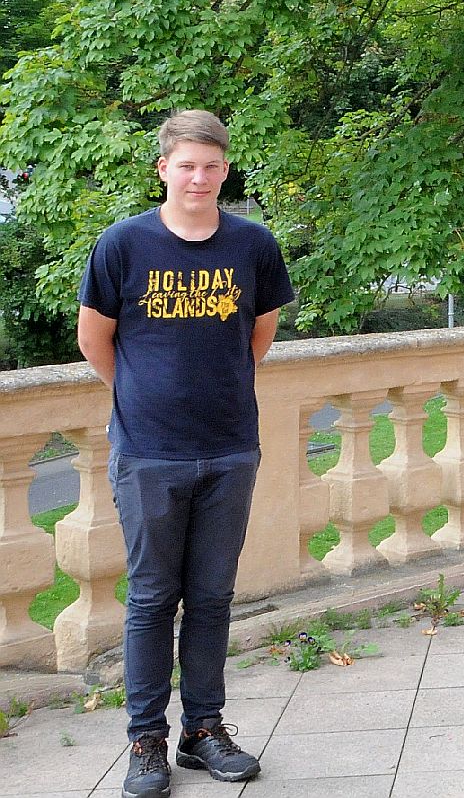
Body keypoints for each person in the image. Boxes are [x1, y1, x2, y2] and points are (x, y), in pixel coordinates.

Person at [77, 110, 294, 798]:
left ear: (225, 169)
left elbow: (258, 335)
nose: (199, 176)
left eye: (211, 165)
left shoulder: (253, 245)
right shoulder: (123, 244)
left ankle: (203, 730)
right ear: (163, 168)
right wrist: (144, 396)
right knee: (150, 597)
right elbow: (95, 340)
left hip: (231, 446)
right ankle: (146, 739)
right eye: (186, 164)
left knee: (210, 596)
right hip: (149, 451)